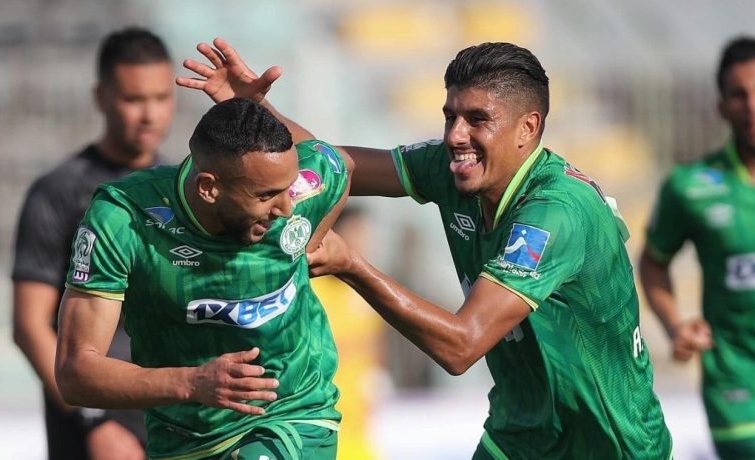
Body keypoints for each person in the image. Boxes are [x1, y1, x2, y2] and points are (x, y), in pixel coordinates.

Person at [177, 38, 673, 459]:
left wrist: (353, 266)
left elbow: (461, 346)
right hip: (519, 436)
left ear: (528, 127)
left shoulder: (555, 213)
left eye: (477, 119)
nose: (456, 136)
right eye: (450, 116)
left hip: (607, 445)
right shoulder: (455, 169)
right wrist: (257, 113)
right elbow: (340, 165)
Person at [54, 97, 353, 460]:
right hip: (182, 438)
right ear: (209, 188)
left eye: (288, 189)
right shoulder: (124, 219)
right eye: (266, 196)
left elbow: (340, 166)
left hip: (293, 415)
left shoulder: (303, 191)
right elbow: (75, 373)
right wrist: (193, 383)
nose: (286, 209)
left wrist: (308, 244)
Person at [11, 27, 175, 460]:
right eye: (134, 99)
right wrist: (94, 421)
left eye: (161, 98)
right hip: (94, 430)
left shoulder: (182, 188)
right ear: (101, 97)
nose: (149, 114)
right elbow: (30, 325)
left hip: (175, 422)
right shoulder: (58, 191)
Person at [639, 36, 755, 460]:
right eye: (739, 95)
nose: (752, 106)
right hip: (736, 383)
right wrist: (676, 326)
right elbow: (653, 263)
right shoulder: (690, 187)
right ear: (722, 107)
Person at [310, 206, 386, 460]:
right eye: (356, 233)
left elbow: (374, 346)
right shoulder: (311, 291)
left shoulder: (365, 293)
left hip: (359, 426)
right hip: (320, 424)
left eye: (365, 235)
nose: (363, 242)